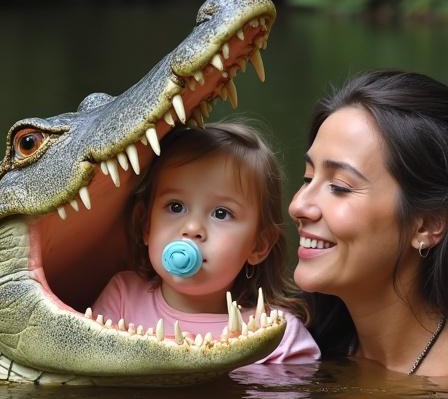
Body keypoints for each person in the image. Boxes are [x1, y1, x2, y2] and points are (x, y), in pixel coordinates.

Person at [93, 122, 320, 363]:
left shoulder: (278, 335)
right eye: (176, 206)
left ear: (259, 245)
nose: (192, 229)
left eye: (221, 213)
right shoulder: (122, 300)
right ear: (145, 225)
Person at [289, 70, 448, 376]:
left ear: (426, 225)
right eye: (308, 178)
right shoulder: (291, 342)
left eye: (340, 187)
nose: (298, 205)